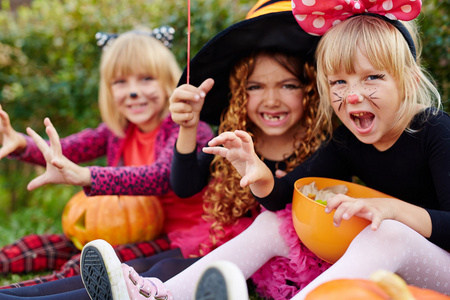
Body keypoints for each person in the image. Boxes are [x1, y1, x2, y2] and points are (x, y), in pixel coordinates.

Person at [79, 2, 336, 300]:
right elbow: (185, 186)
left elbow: (285, 206)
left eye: (288, 85)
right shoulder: (236, 139)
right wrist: (189, 127)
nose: (271, 100)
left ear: (310, 89)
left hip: (279, 267)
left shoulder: (325, 148)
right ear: (240, 93)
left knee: (166, 271)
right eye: (255, 87)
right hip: (227, 253)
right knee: (141, 270)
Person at [196, 0, 450, 299]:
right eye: (339, 82)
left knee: (388, 232)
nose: (352, 95)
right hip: (396, 270)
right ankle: (160, 292)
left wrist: (393, 211)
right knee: (273, 221)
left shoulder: (435, 130)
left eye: (372, 77)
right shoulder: (348, 140)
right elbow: (284, 198)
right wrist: (259, 174)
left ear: (409, 81)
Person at [0, 27, 213, 289]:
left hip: (176, 238)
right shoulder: (117, 132)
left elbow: (161, 176)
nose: (133, 92)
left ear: (169, 81)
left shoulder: (186, 130)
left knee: (86, 266)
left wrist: (87, 175)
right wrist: (21, 143)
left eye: (146, 79)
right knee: (36, 247)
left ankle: (16, 292)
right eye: (120, 82)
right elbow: (66, 149)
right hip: (128, 231)